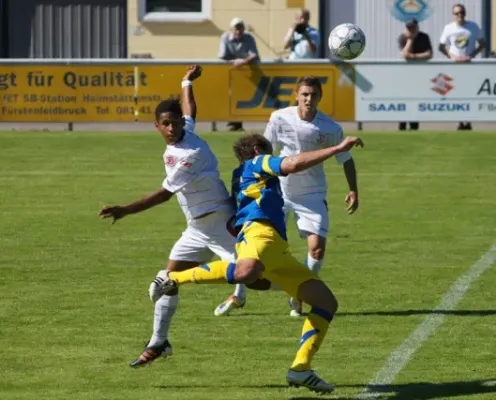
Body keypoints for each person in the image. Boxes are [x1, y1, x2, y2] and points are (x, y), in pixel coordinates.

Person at [148, 133, 364, 393]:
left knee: (325, 301)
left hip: (277, 250)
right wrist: (337, 148)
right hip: (260, 234)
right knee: (245, 271)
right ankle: (171, 277)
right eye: (268, 149)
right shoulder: (257, 162)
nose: (272, 154)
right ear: (255, 149)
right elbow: (292, 164)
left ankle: (301, 368)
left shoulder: (240, 174)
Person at [98, 65, 246, 366]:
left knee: (257, 277)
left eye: (175, 123)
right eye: (166, 124)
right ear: (157, 126)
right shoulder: (184, 132)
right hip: (195, 228)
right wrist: (186, 82)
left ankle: (300, 292)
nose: (172, 128)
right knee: (168, 279)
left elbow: (164, 195)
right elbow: (191, 108)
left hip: (218, 221)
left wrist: (125, 210)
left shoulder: (191, 154)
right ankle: (159, 342)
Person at [253, 76, 359, 317]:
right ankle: (239, 292)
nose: (309, 99)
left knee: (317, 249)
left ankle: (298, 292)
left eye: (313, 95)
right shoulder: (280, 117)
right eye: (305, 95)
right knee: (261, 247)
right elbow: (264, 150)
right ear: (297, 96)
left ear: (320, 97)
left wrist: (353, 189)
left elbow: (346, 159)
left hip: (312, 194)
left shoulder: (330, 128)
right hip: (280, 191)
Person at [438, 3, 486, 131]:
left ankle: (468, 121)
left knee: (469, 92)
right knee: (456, 93)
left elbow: (482, 44)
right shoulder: (448, 28)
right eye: (457, 13)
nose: (460, 15)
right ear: (453, 15)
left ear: (465, 13)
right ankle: (460, 121)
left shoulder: (473, 27)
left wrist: (471, 56)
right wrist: (452, 57)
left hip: (469, 65)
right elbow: (441, 46)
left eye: (462, 12)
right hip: (454, 66)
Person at [218, 17, 260, 131]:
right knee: (230, 95)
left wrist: (243, 62)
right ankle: (233, 122)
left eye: (240, 28)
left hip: (246, 73)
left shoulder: (249, 38)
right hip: (230, 73)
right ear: (231, 29)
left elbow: (254, 55)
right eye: (236, 28)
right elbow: (222, 56)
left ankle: (237, 122)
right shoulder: (225, 38)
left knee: (242, 95)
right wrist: (235, 61)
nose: (238, 31)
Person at [397, 18, 433, 131]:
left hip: (419, 74)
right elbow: (404, 54)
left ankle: (414, 125)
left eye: (413, 27)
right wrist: (410, 40)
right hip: (405, 75)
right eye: (409, 28)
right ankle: (402, 125)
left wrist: (414, 57)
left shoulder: (424, 37)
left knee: (416, 100)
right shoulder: (402, 37)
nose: (411, 30)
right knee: (403, 100)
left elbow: (429, 54)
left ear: (417, 27)